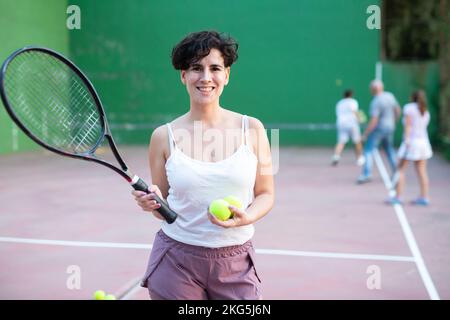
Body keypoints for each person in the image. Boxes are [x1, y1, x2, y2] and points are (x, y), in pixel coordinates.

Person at [132, 30, 275, 300]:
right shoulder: (163, 137)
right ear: (183, 75)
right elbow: (162, 206)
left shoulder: (253, 129)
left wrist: (247, 217)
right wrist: (151, 203)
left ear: (227, 75)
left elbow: (266, 194)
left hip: (235, 259)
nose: (206, 77)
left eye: (215, 68)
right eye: (196, 68)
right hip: (176, 260)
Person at [387, 90, 433, 206]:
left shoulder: (409, 108)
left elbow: (408, 125)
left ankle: (398, 196)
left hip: (411, 143)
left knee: (400, 169)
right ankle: (424, 197)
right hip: (423, 143)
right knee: (422, 171)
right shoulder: (425, 110)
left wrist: (407, 140)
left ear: (412, 97)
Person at [357, 80, 401, 184]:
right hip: (390, 127)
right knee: (389, 149)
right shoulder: (390, 96)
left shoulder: (376, 101)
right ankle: (397, 173)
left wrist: (366, 134)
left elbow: (374, 120)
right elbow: (398, 110)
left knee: (368, 150)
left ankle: (366, 174)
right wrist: (394, 122)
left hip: (379, 129)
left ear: (373, 89)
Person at [331, 89, 365, 166]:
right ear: (351, 95)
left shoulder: (339, 103)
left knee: (341, 141)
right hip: (352, 124)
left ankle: (336, 156)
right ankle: (360, 158)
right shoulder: (353, 102)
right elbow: (354, 111)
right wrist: (360, 119)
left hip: (341, 124)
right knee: (357, 141)